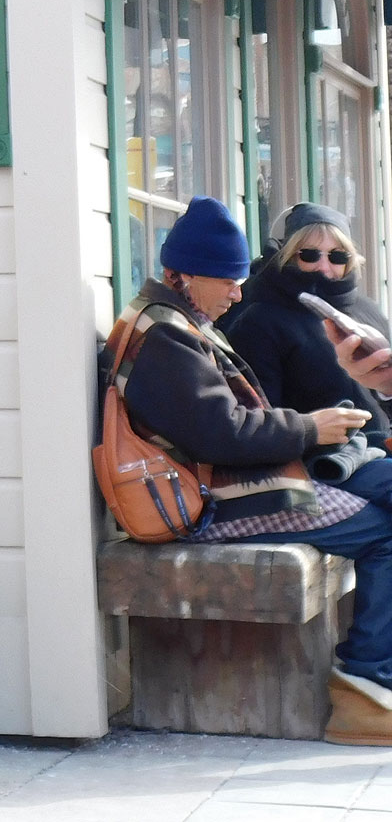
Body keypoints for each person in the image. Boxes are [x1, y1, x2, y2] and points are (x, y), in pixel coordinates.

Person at [112, 196, 392, 743]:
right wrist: (313, 429)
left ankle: (369, 684)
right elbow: (221, 432)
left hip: (209, 486)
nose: (239, 293)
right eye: (228, 281)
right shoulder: (165, 333)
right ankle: (364, 690)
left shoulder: (170, 320)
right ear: (183, 274)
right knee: (385, 532)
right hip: (203, 504)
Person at [223, 203, 390, 448]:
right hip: (323, 462)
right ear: (288, 256)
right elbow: (258, 418)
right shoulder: (259, 321)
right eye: (310, 255)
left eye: (337, 256)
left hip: (383, 449)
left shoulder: (369, 311)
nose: (324, 267)